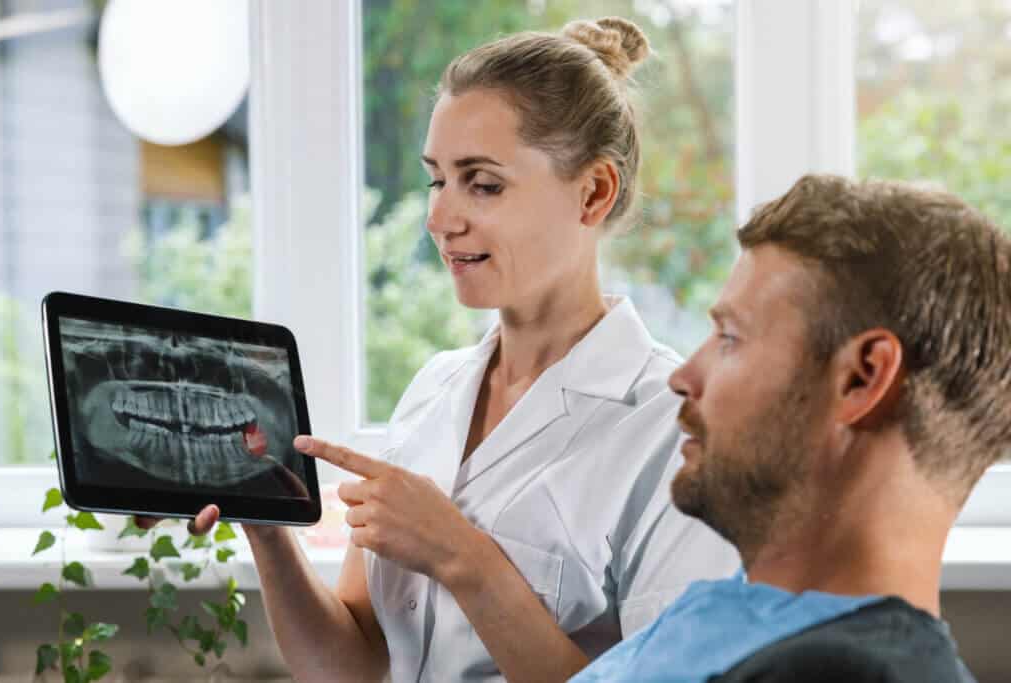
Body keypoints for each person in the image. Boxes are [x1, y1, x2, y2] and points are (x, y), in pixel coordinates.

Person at [138, 17, 739, 683]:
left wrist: (462, 557)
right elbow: (353, 666)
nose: (439, 217)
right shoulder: (435, 389)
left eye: (482, 183)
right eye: (437, 180)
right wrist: (268, 528)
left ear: (593, 192)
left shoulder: (672, 429)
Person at [570, 174, 1010, 682]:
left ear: (861, 378)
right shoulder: (732, 618)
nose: (683, 376)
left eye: (730, 338)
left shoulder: (846, 674)